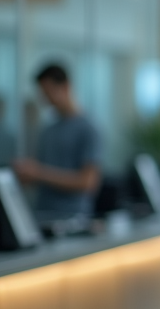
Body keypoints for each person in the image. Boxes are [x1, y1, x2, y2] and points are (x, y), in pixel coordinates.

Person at [12, 63, 102, 221]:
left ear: (66, 87)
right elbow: (41, 172)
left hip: (73, 219)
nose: (46, 99)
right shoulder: (48, 130)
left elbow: (88, 182)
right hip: (42, 215)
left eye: (49, 92)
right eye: (43, 94)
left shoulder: (88, 129)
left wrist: (39, 172)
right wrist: (26, 173)